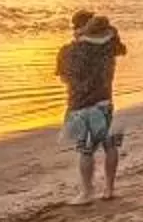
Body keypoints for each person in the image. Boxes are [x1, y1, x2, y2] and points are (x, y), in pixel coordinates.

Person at [53, 11, 126, 202]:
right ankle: (109, 189)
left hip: (81, 106)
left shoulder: (68, 51)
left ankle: (87, 192)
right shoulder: (109, 46)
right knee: (109, 146)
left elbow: (62, 77)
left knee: (86, 150)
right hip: (105, 101)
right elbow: (118, 41)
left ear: (76, 29)